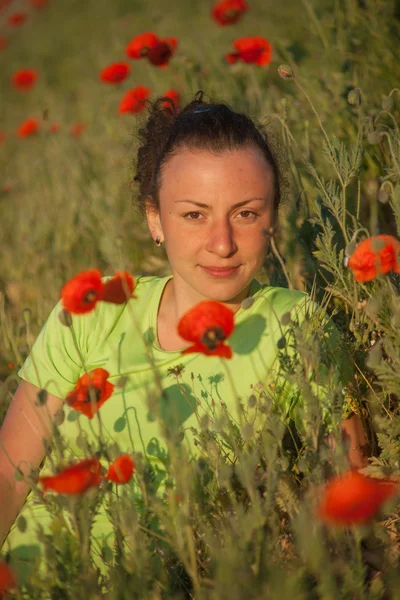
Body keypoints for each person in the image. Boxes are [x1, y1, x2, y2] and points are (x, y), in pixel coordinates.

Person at [0, 91, 368, 584]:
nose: (222, 243)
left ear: (273, 218)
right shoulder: (92, 310)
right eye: (195, 214)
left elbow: (346, 484)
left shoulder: (296, 327)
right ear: (155, 219)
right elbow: (9, 474)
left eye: (246, 213)